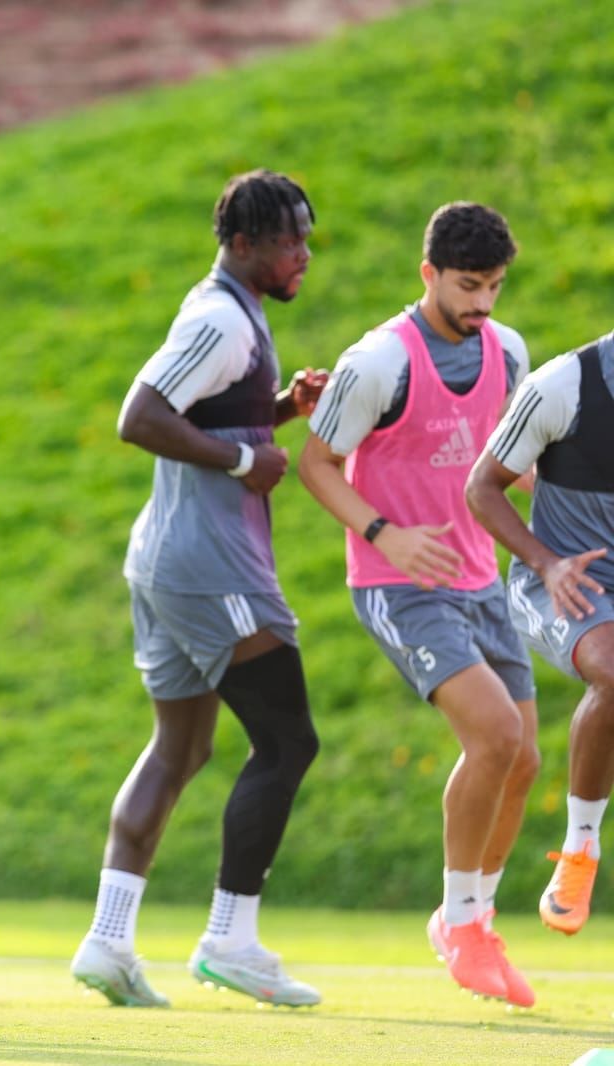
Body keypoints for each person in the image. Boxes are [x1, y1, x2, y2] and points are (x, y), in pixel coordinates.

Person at [70, 170, 326, 1009]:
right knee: (287, 742)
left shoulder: (233, 312)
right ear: (245, 244)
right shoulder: (221, 317)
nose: (305, 255)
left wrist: (281, 410)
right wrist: (249, 459)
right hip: (209, 565)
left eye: (306, 238)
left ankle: (109, 943)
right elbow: (139, 416)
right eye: (291, 241)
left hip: (169, 560)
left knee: (181, 750)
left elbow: (206, 415)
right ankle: (231, 937)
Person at [298, 202, 537, 1006]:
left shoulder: (506, 349)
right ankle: (464, 927)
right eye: (470, 286)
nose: (484, 305)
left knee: (524, 761)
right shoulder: (375, 363)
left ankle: (467, 917)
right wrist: (383, 534)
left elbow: (511, 458)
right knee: (496, 734)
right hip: (398, 583)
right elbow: (317, 463)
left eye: (497, 287)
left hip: (480, 576)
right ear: (428, 274)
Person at [467, 328, 614, 938]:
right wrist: (545, 562)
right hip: (563, 581)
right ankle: (581, 847)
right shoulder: (562, 385)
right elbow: (481, 487)